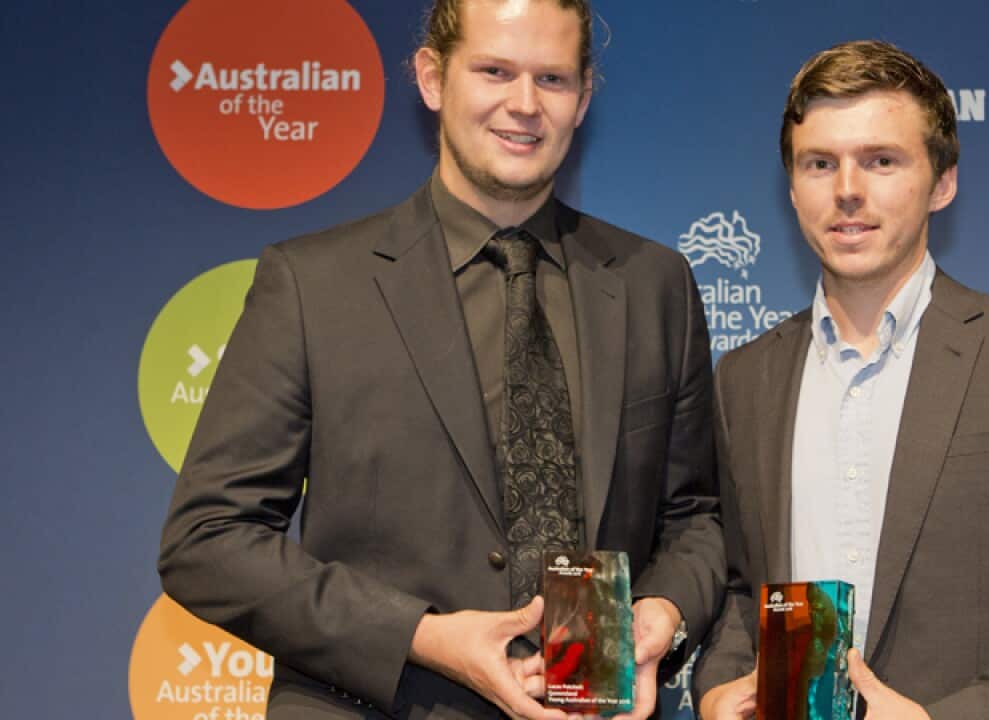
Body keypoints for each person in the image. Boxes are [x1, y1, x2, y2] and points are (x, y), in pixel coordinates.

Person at [157, 1, 722, 718]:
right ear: (431, 78)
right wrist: (420, 636)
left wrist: (661, 617)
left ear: (583, 99)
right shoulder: (313, 284)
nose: (524, 105)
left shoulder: (653, 283)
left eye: (551, 79)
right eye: (494, 71)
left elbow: (695, 518)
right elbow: (207, 542)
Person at [693, 40, 989, 720]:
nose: (847, 190)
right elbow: (747, 594)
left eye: (881, 161)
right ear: (793, 186)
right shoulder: (745, 378)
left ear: (942, 181)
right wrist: (717, 689)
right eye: (819, 163)